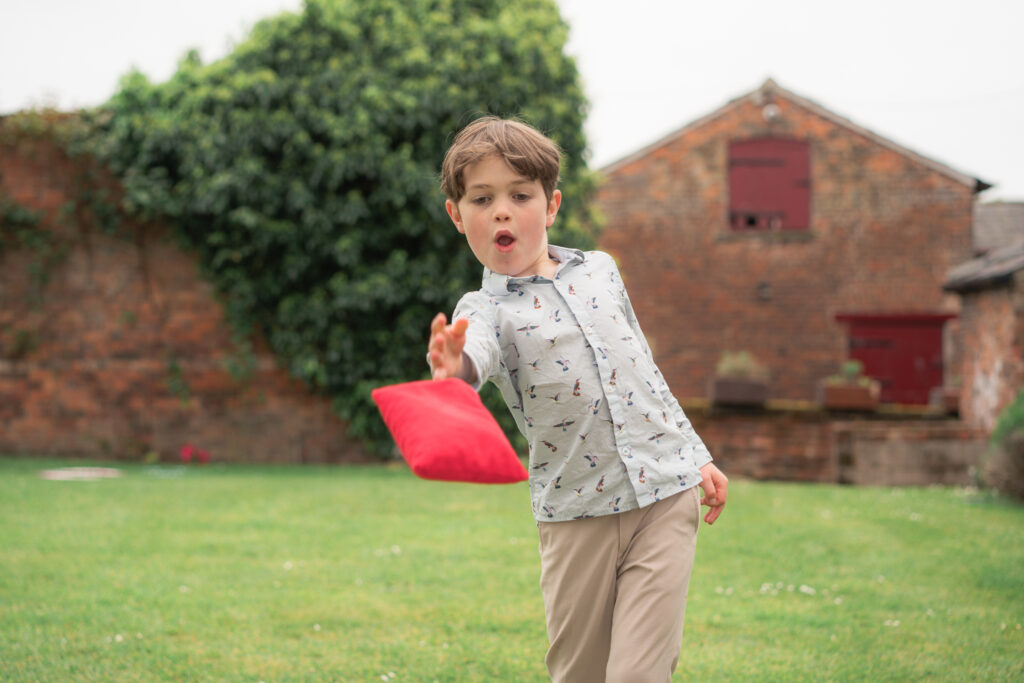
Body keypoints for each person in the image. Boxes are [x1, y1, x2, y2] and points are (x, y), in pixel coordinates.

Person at [427, 116, 727, 682]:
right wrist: (453, 366)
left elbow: (644, 369)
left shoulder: (602, 271)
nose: (502, 211)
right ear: (456, 215)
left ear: (552, 204)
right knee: (580, 674)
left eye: (520, 195)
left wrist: (696, 454)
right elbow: (475, 355)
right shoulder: (484, 310)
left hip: (665, 495)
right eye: (483, 198)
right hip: (575, 515)